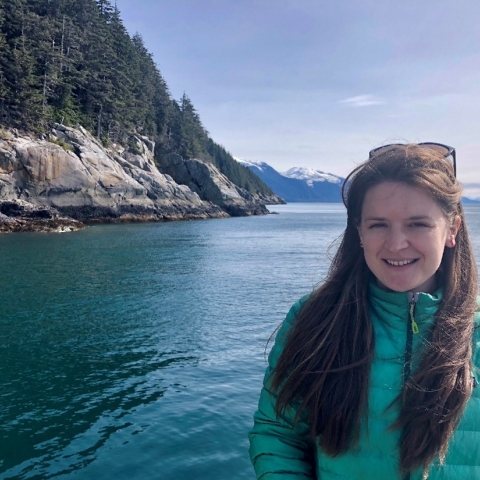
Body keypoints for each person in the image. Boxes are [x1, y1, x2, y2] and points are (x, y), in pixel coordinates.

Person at [249, 143, 480, 480]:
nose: (396, 243)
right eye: (378, 225)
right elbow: (278, 434)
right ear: (359, 232)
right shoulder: (315, 321)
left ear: (452, 230)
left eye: (418, 224)